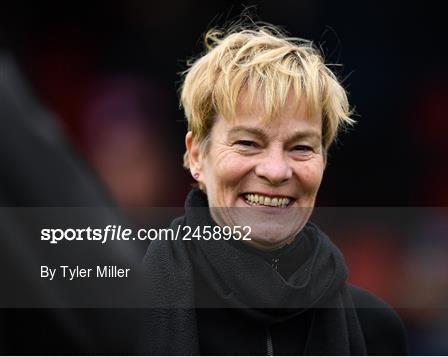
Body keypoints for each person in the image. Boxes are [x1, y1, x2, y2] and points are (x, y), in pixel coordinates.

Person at [143, 23, 407, 355]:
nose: (276, 170)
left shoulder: (375, 330)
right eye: (248, 143)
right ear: (197, 155)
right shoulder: (117, 320)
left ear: (324, 161)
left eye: (301, 147)